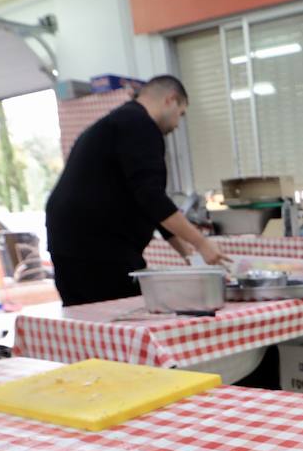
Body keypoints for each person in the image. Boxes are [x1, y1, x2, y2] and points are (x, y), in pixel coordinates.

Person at [45, 75, 227, 306]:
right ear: (170, 100)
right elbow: (152, 198)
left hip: (69, 243)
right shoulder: (141, 126)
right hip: (100, 248)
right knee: (121, 320)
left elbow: (149, 205)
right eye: (181, 114)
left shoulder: (118, 123)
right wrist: (202, 243)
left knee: (87, 324)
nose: (177, 124)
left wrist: (189, 255)